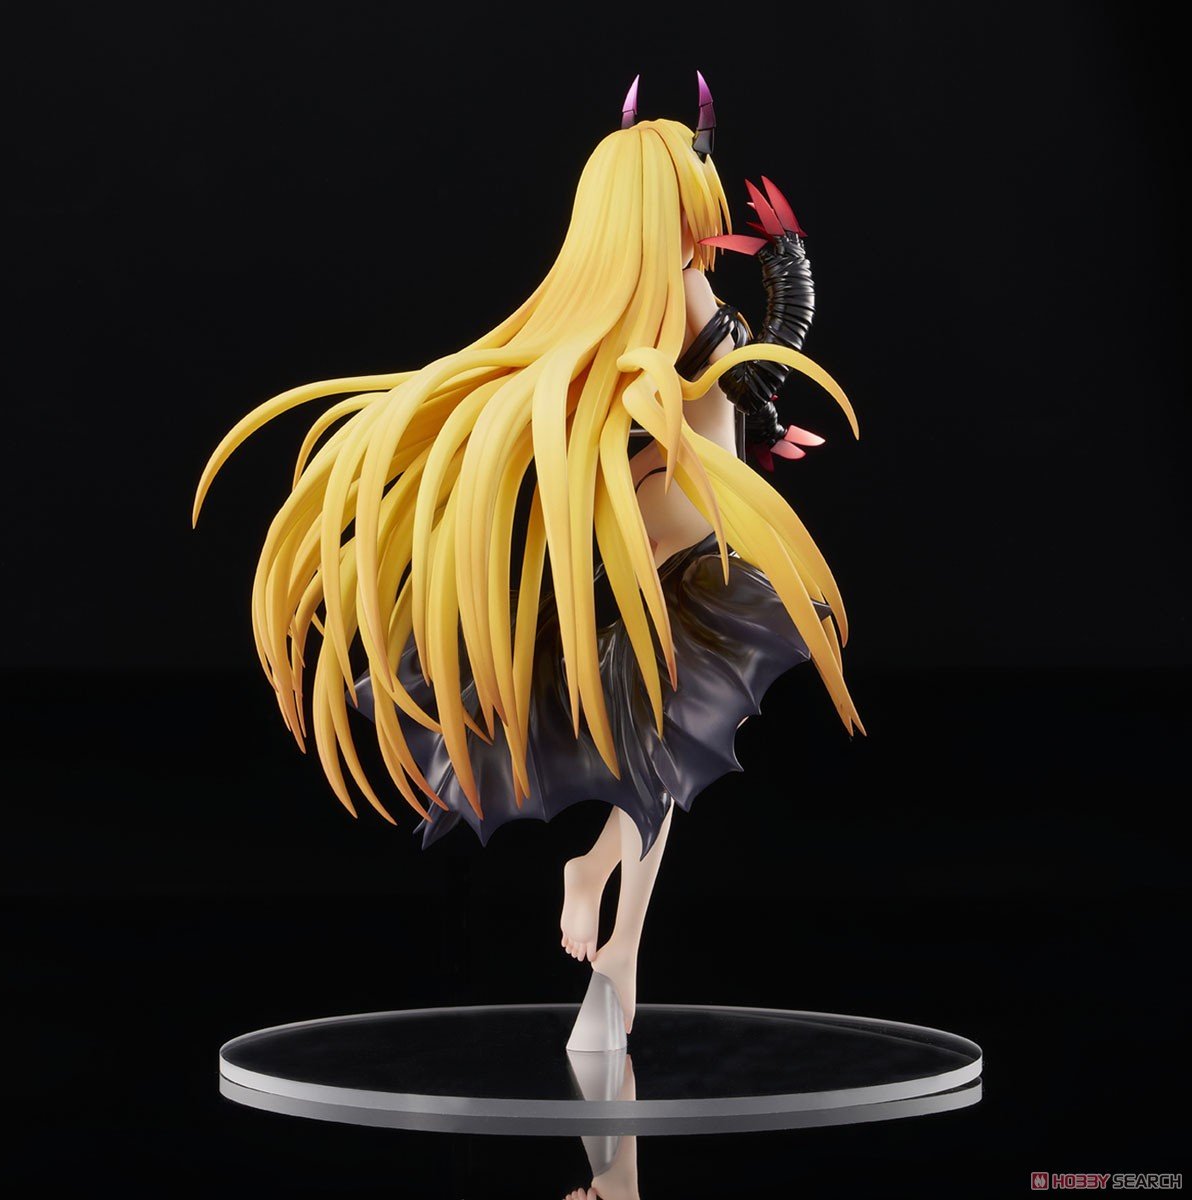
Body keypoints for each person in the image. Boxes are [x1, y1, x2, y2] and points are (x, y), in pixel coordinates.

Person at [193, 74, 862, 1050]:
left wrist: (771, 345)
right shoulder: (679, 291)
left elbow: (746, 376)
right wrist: (789, 267)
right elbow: (759, 361)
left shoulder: (651, 294)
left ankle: (609, 923)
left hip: (679, 529)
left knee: (666, 753)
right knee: (668, 749)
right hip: (686, 541)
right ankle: (610, 921)